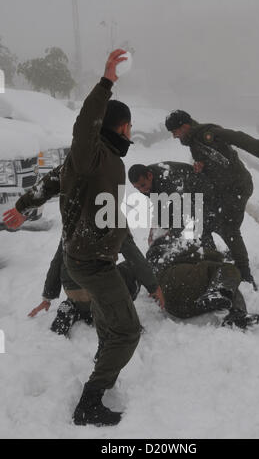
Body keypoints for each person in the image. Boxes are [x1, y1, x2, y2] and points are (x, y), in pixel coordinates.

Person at [4, 49, 143, 428]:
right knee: (129, 332)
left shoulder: (105, 161)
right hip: (90, 261)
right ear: (119, 127)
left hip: (95, 257)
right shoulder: (93, 153)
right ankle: (89, 402)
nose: (131, 131)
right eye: (128, 125)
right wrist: (107, 82)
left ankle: (102, 358)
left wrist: (24, 205)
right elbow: (85, 125)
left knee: (107, 318)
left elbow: (53, 181)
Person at [164, 110, 259, 288]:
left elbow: (237, 137)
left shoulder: (208, 133)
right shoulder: (193, 141)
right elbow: (207, 160)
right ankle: (214, 262)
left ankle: (245, 274)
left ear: (184, 127)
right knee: (203, 224)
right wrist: (200, 166)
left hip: (237, 187)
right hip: (221, 189)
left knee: (229, 228)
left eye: (175, 132)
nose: (174, 136)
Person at [28, 234, 162, 338]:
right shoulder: (111, 215)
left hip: (74, 291)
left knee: (83, 282)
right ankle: (118, 314)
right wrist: (154, 287)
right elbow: (134, 256)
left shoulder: (71, 216)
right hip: (101, 292)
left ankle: (74, 307)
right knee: (130, 268)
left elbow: (57, 261)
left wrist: (47, 297)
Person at [123, 236, 259, 330]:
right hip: (180, 282)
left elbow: (132, 271)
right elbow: (213, 256)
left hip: (172, 305)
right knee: (227, 271)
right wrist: (222, 255)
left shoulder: (150, 264)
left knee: (226, 285)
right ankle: (235, 310)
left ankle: (228, 307)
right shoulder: (182, 250)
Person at [128, 161, 216, 248]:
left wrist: (171, 234)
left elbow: (187, 210)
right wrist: (154, 229)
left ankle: (210, 252)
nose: (141, 190)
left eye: (142, 186)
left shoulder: (168, 180)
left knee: (199, 224)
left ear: (150, 176)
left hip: (201, 191)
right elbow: (158, 204)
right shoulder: (147, 182)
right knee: (163, 221)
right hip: (180, 194)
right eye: (137, 188)